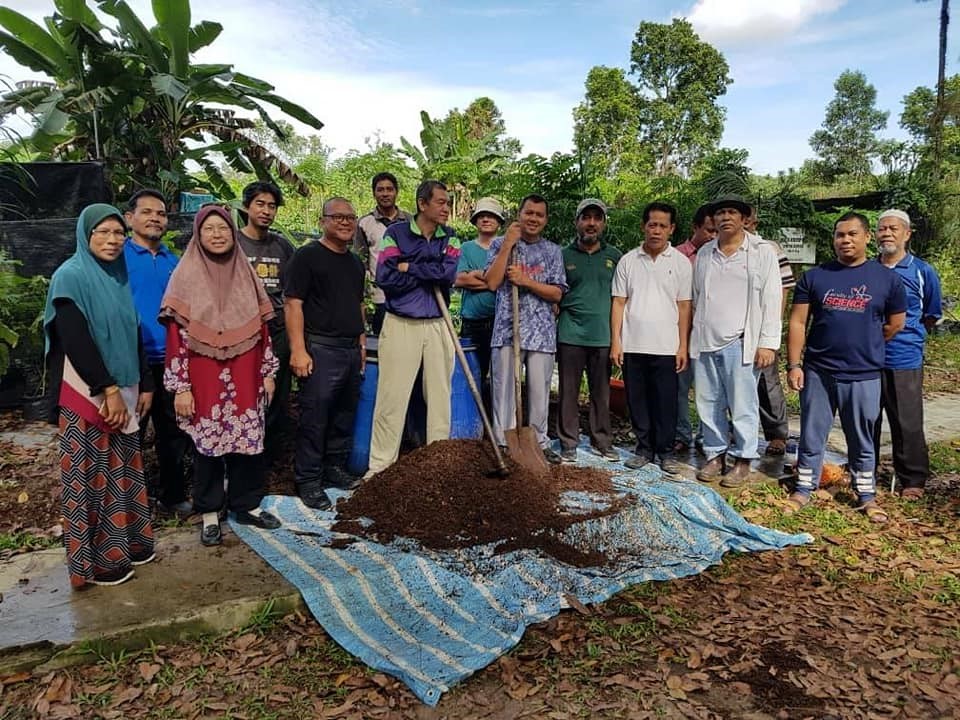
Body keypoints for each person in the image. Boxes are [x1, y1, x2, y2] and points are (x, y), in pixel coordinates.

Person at [43, 204, 155, 588]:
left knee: (124, 473)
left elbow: (133, 333)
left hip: (125, 388)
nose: (112, 240)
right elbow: (75, 339)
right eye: (102, 233)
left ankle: (131, 545)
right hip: (88, 395)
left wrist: (145, 385)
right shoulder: (70, 277)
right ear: (85, 235)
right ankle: (101, 563)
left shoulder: (119, 278)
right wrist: (107, 390)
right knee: (95, 477)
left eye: (118, 233)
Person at [161, 206, 282, 547]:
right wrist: (181, 387)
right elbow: (175, 336)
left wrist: (268, 373)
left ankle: (245, 505)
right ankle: (210, 512)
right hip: (203, 377)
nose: (217, 234)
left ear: (232, 233)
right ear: (198, 235)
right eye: (209, 229)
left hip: (246, 374)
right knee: (207, 447)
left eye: (223, 228)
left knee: (248, 442)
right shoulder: (184, 277)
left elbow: (262, 330)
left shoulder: (246, 273)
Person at [785, 212, 906, 523]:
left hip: (864, 374)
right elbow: (798, 322)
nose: (846, 240)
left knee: (862, 437)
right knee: (812, 435)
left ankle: (866, 494)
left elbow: (895, 324)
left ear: (867, 237)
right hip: (819, 371)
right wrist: (795, 365)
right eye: (840, 235)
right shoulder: (816, 277)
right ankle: (803, 489)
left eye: (852, 234)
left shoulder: (887, 279)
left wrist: (864, 344)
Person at [366, 180, 459, 475]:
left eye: (448, 203)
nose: (447, 208)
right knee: (391, 397)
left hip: (437, 325)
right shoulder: (396, 234)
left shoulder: (451, 238)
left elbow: (447, 276)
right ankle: (379, 468)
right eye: (441, 202)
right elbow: (386, 278)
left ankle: (438, 465)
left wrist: (410, 266)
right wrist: (426, 270)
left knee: (440, 399)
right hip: (400, 324)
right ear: (423, 204)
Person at [690, 195, 782, 486]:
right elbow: (696, 297)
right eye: (720, 213)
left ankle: (743, 459)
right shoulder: (705, 253)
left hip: (742, 341)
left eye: (732, 212)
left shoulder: (761, 252)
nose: (725, 217)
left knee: (743, 404)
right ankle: (715, 455)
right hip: (706, 338)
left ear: (745, 219)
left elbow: (772, 297)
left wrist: (767, 342)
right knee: (708, 402)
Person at [285, 198, 366, 510]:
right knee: (314, 417)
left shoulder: (355, 262)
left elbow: (358, 304)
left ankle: (334, 469)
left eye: (350, 217)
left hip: (348, 348)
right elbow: (293, 303)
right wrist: (298, 350)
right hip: (320, 348)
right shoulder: (307, 256)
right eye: (338, 217)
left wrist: (360, 344)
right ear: (323, 221)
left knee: (344, 415)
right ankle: (308, 479)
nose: (345, 222)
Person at [123, 189, 192, 517]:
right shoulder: (117, 259)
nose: (155, 218)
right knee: (130, 433)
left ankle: (172, 497)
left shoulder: (172, 262)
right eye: (147, 212)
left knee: (173, 433)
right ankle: (129, 505)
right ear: (129, 218)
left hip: (171, 360)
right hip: (132, 360)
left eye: (161, 213)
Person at [485, 194, 568, 464]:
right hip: (507, 331)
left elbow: (557, 293)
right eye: (529, 213)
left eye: (539, 215)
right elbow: (492, 282)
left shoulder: (552, 251)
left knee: (539, 392)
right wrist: (508, 244)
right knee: (504, 390)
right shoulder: (500, 244)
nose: (533, 218)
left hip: (541, 333)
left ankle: (538, 443)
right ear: (519, 214)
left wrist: (526, 281)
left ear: (545, 220)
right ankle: (504, 443)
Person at [611, 201, 691, 474]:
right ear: (644, 226)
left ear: (672, 229)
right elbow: (619, 303)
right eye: (652, 224)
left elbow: (683, 306)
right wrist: (616, 341)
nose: (656, 231)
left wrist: (683, 345)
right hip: (633, 344)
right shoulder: (628, 261)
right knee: (638, 400)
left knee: (666, 401)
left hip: (667, 346)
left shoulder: (680, 263)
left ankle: (665, 451)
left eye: (662, 226)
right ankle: (643, 448)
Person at [873, 209, 942, 499]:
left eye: (893, 229)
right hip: (866, 357)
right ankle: (864, 470)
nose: (887, 233)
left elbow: (931, 314)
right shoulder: (868, 268)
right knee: (866, 418)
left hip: (904, 356)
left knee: (907, 420)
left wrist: (908, 334)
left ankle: (912, 478)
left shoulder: (921, 271)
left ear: (907, 234)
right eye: (882, 229)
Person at [557, 198, 622, 463]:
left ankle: (602, 441)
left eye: (597, 218)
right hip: (570, 333)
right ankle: (568, 442)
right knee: (568, 392)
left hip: (602, 335)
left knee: (601, 393)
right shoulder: (563, 255)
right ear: (577, 222)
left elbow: (622, 298)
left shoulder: (615, 256)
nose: (591, 223)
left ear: (604, 223)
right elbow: (555, 293)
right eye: (586, 217)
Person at [237, 181, 296, 455]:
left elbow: (294, 290)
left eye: (271, 206)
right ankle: (242, 451)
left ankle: (268, 456)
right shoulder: (234, 242)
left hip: (278, 330)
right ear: (247, 206)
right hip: (243, 332)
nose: (266, 211)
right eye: (260, 204)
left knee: (277, 394)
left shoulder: (283, 247)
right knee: (242, 391)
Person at [745, 207, 795, 457]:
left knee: (767, 382)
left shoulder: (769, 249)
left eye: (747, 219)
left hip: (762, 328)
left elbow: (783, 290)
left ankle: (776, 434)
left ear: (753, 221)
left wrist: (772, 330)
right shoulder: (720, 247)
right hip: (733, 331)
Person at [673, 204, 715, 453]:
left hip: (707, 335)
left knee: (708, 390)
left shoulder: (717, 256)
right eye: (708, 230)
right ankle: (681, 434)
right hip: (680, 334)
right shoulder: (676, 256)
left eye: (716, 232)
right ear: (695, 227)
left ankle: (706, 437)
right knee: (679, 388)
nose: (712, 236)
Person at [455, 197, 503, 410]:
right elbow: (459, 279)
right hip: (472, 321)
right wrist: (493, 281)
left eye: (491, 216)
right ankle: (472, 420)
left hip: (501, 322)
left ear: (499, 221)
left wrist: (477, 275)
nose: (486, 220)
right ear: (475, 221)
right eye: (482, 216)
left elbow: (508, 280)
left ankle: (496, 424)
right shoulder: (466, 248)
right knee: (472, 374)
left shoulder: (506, 248)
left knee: (501, 377)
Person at [355, 172, 413, 335]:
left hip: (407, 295)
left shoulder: (410, 221)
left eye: (389, 189)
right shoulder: (364, 223)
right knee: (381, 341)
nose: (385, 193)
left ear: (396, 192)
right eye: (380, 190)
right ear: (374, 193)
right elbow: (361, 259)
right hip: (378, 296)